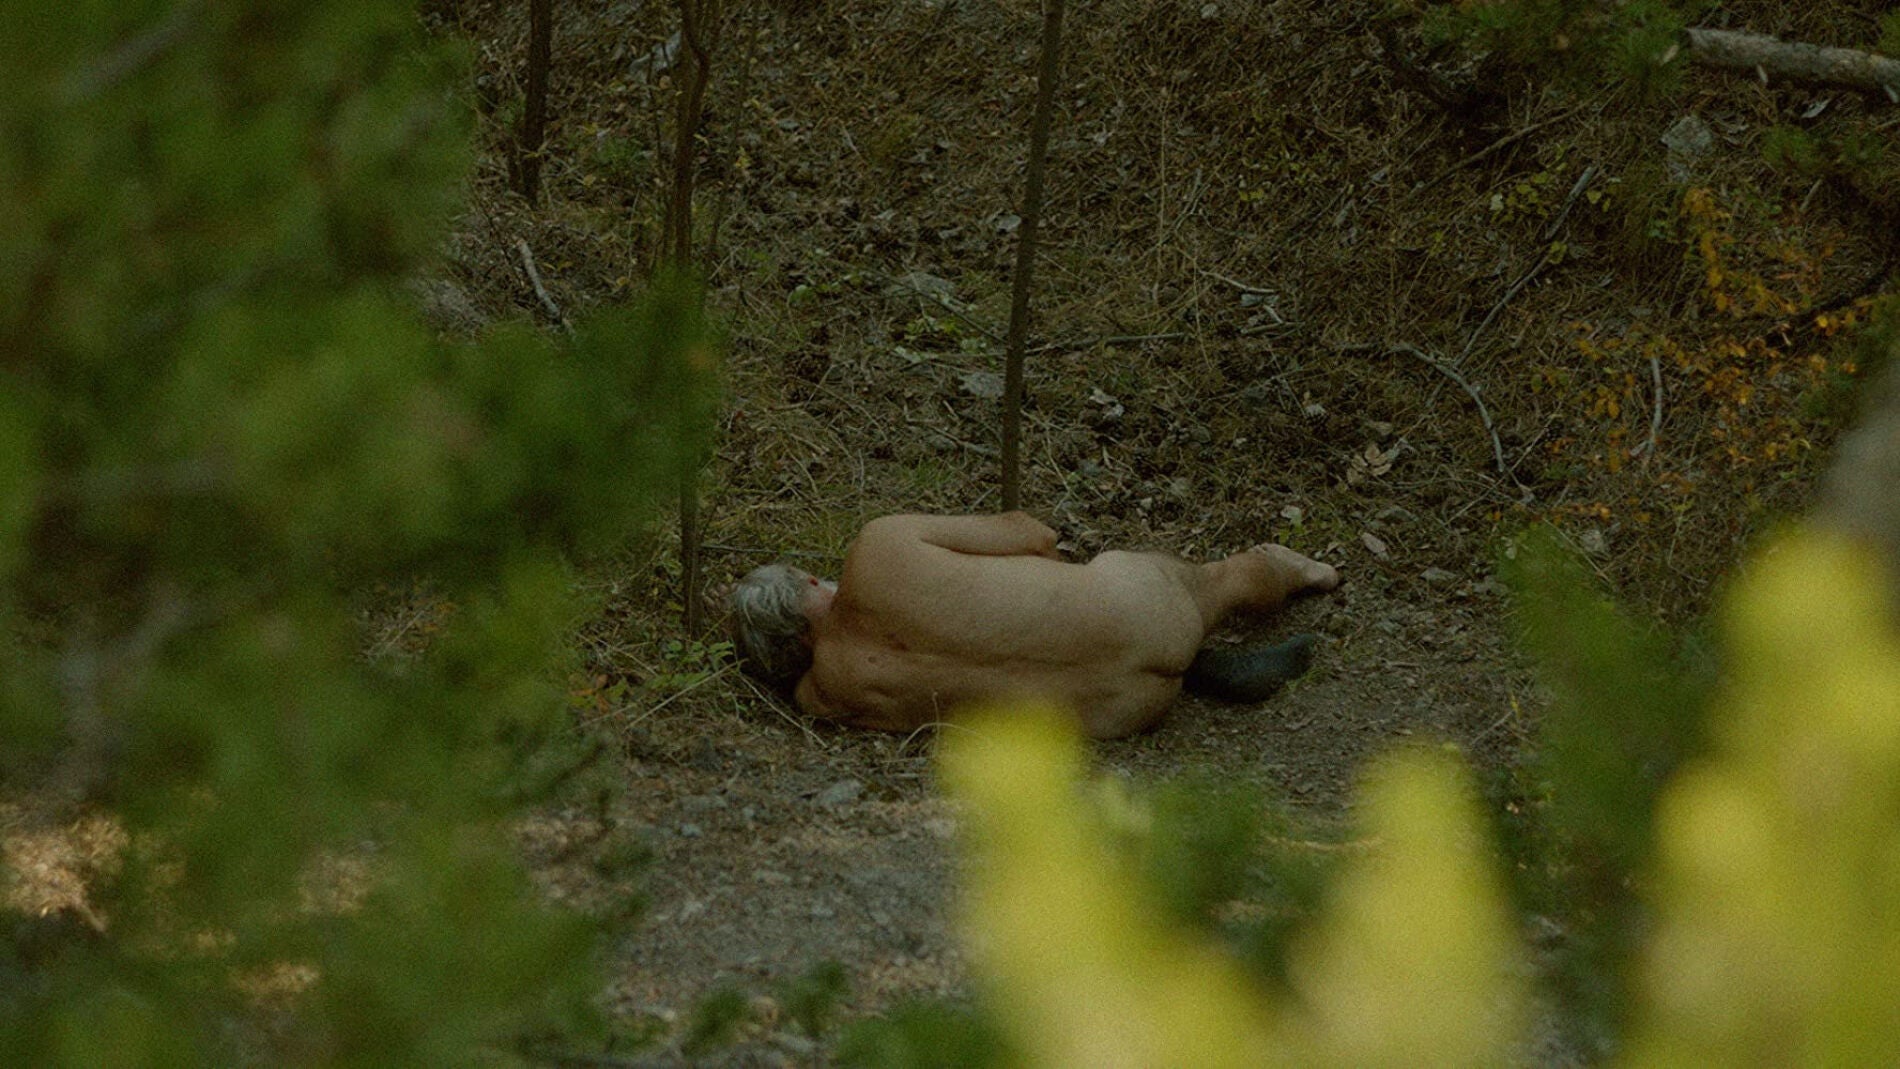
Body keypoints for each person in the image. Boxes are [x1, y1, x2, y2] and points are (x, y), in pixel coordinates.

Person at [722, 511, 1341, 739]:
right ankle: (1297, 571)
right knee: (1221, 579)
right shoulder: (877, 549)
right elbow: (1034, 536)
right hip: (1138, 611)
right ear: (809, 583)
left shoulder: (824, 699)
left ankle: (1197, 667)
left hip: (1121, 711)